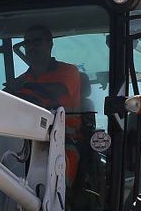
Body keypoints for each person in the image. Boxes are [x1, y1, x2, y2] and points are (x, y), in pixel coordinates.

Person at [9, 25, 95, 182]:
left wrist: (22, 88)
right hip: (24, 140)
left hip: (63, 140)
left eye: (37, 41)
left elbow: (54, 92)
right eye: (27, 43)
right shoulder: (21, 80)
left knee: (56, 180)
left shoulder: (68, 72)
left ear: (50, 44)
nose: (31, 46)